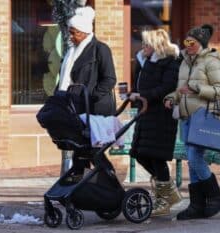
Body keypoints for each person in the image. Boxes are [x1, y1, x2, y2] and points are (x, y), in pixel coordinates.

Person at [164, 24, 220, 220]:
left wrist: (198, 88)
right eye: (186, 41)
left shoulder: (211, 61)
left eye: (192, 42)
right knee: (192, 162)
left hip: (203, 117)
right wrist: (171, 97)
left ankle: (215, 198)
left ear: (201, 43)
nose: (188, 45)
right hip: (186, 117)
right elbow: (182, 89)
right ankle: (196, 205)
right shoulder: (185, 61)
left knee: (194, 158)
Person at [57, 6, 117, 173]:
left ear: (83, 32)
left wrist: (90, 96)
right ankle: (79, 190)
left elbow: (110, 79)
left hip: (95, 111)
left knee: (91, 152)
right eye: (70, 32)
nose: (71, 36)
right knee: (82, 152)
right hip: (76, 109)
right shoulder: (71, 53)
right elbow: (65, 79)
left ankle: (108, 183)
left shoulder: (100, 49)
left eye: (74, 32)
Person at [129, 29, 181, 216]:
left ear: (157, 45)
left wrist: (143, 95)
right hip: (146, 114)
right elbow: (140, 84)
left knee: (156, 157)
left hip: (161, 116)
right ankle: (169, 191)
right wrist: (133, 95)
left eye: (146, 44)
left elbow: (166, 87)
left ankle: (164, 200)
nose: (143, 47)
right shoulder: (145, 61)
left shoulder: (171, 62)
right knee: (139, 153)